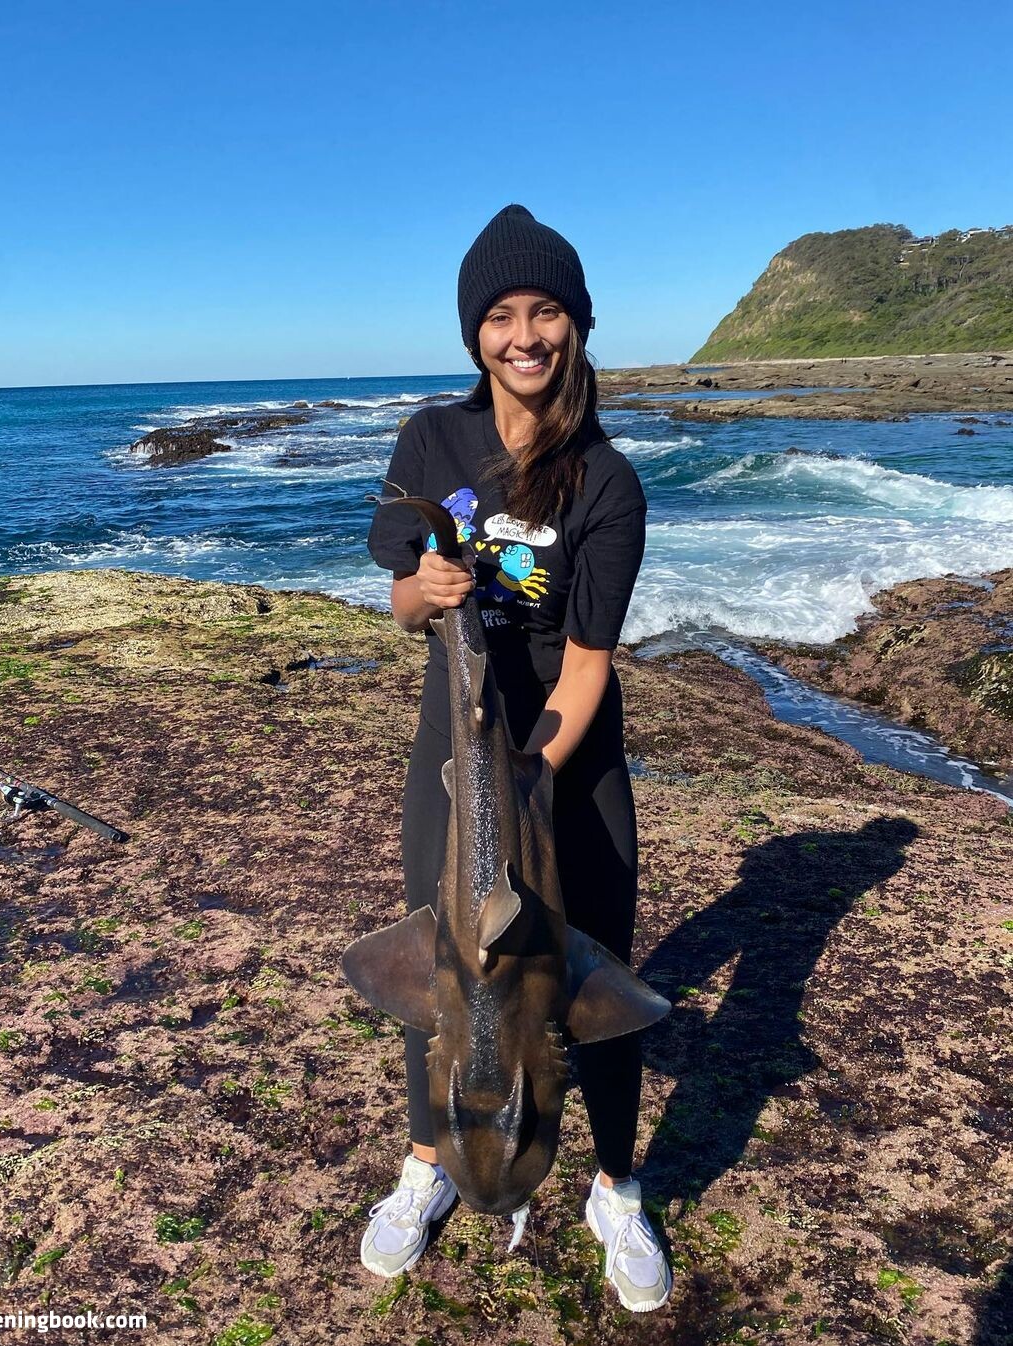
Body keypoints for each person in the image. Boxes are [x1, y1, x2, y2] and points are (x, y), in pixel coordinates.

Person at [361, 204, 671, 1313]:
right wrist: (423, 588)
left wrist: (525, 789)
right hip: (455, 739)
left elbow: (585, 667)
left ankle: (617, 1186)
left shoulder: (608, 482)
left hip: (564, 757)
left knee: (594, 970)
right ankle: (429, 1164)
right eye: (501, 316)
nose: (524, 336)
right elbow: (402, 600)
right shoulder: (432, 443)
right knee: (444, 966)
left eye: (545, 313)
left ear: (577, 325)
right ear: (475, 332)